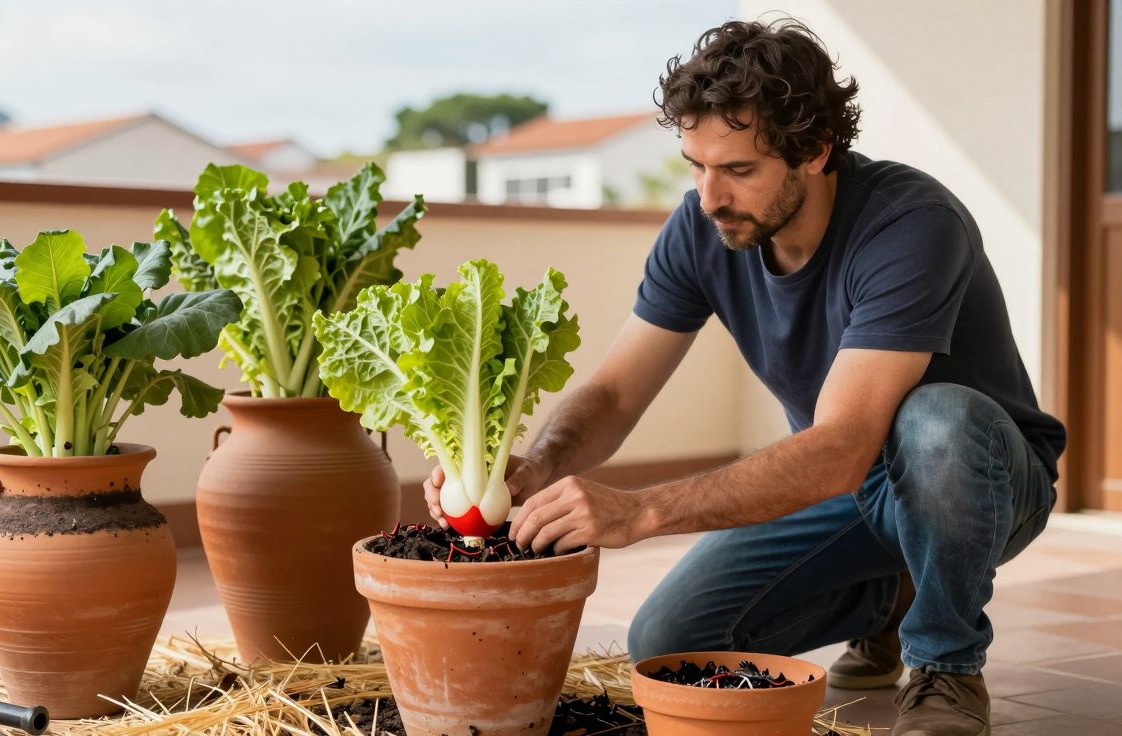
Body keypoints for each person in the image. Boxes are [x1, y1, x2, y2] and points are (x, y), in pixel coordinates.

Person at [423, 18, 1065, 736]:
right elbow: (615, 393)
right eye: (695, 164)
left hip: (982, 483)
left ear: (816, 152)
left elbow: (845, 441)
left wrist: (639, 512)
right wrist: (538, 465)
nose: (707, 196)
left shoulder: (911, 223)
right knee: (666, 642)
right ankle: (893, 598)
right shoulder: (703, 228)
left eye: (737, 170)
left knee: (935, 421)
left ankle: (947, 666)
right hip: (852, 493)